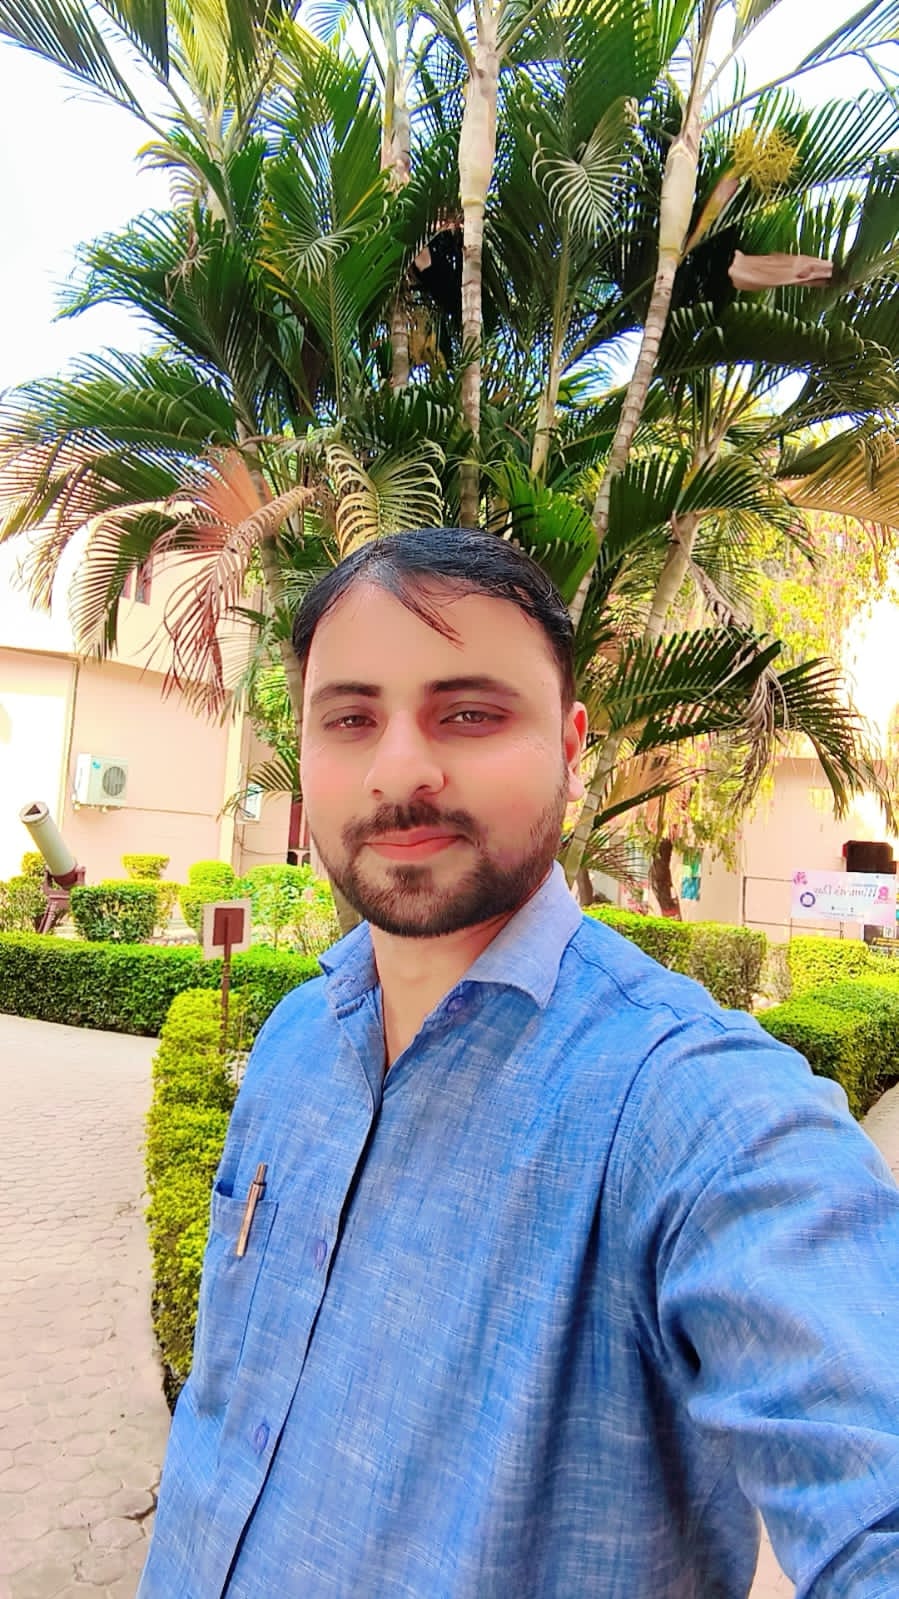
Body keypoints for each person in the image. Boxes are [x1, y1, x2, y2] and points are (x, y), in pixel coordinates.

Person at [139, 527, 899, 1599]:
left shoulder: (696, 1110)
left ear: (571, 749)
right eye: (350, 718)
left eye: (469, 714)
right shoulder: (294, 1044)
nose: (399, 768)